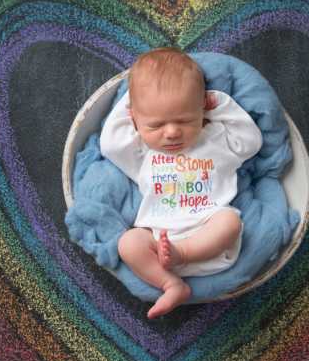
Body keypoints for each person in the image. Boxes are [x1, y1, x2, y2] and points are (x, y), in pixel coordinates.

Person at [100, 48, 263, 319]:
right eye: (156, 125)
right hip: (158, 243)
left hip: (211, 238)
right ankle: (171, 285)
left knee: (230, 221)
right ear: (135, 122)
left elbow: (251, 141)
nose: (173, 132)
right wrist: (135, 99)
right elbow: (110, 143)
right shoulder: (142, 154)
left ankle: (183, 254)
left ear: (202, 109)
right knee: (128, 242)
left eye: (185, 120)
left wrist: (218, 103)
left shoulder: (217, 138)